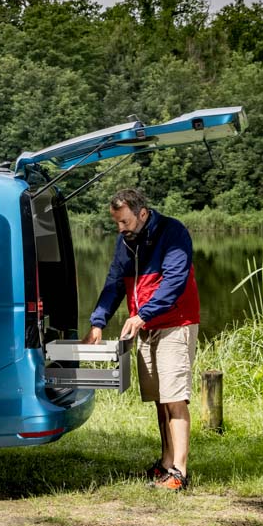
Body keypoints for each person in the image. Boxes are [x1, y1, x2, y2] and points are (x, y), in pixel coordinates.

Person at [85, 189, 200, 491]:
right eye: (116, 223)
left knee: (174, 398)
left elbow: (174, 281)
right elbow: (114, 283)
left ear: (143, 213)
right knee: (160, 400)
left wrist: (142, 315)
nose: (120, 228)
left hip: (175, 323)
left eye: (124, 221)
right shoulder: (125, 241)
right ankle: (165, 463)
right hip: (146, 326)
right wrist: (98, 322)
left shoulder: (173, 233)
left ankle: (179, 473)